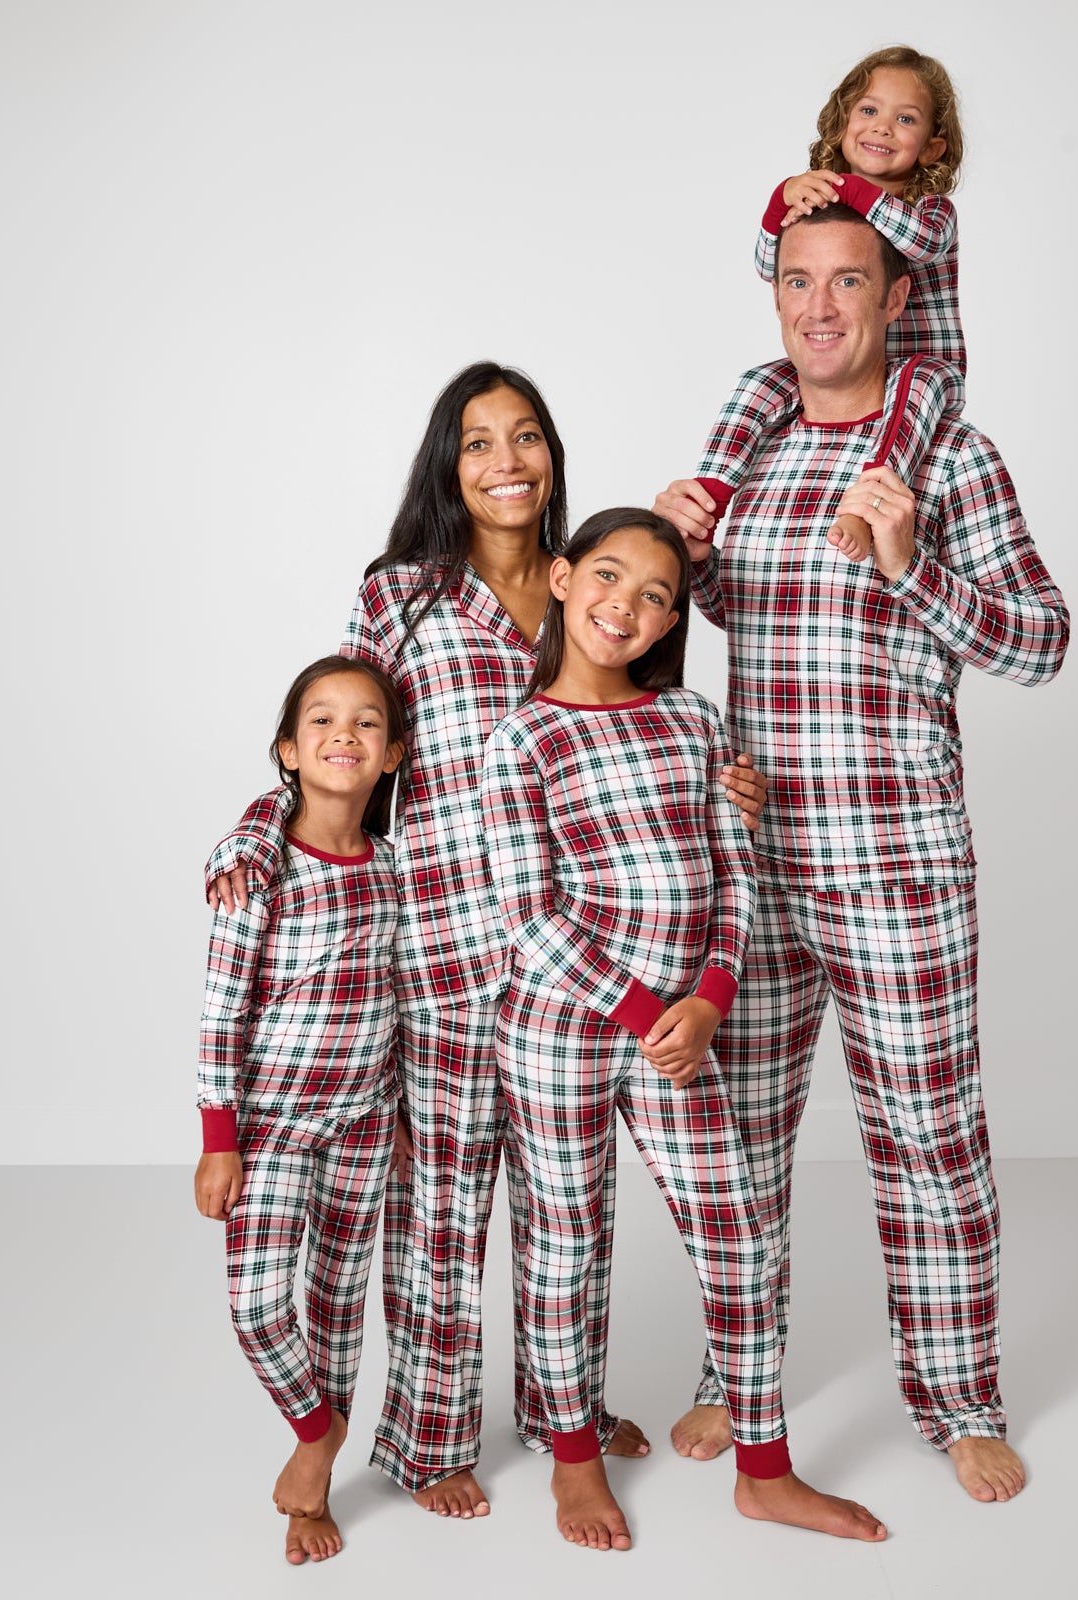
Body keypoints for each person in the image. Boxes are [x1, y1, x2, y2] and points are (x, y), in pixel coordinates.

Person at [205, 363, 767, 1517]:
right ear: (446, 465)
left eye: (525, 438)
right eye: (476, 442)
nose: (505, 460)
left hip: (587, 957)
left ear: (552, 457)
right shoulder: (404, 597)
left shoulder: (593, 583)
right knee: (447, 1210)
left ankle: (559, 1406)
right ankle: (427, 1439)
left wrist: (722, 782)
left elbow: (637, 725)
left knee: (573, 1205)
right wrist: (257, 832)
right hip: (448, 954)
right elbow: (338, 736)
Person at [654, 204, 1069, 1504]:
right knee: (741, 1134)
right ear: (773, 296)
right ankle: (738, 1377)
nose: (820, 306)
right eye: (798, 280)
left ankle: (959, 1398)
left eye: (849, 282)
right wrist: (679, 547)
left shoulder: (947, 452)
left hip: (895, 860)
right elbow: (716, 617)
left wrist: (911, 565)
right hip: (756, 860)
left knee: (928, 1135)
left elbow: (1042, 641)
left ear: (898, 300)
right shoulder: (755, 454)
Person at [480, 507, 887, 1550]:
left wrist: (705, 999)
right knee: (564, 1243)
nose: (628, 604)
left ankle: (765, 1467)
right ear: (564, 581)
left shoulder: (695, 723)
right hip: (562, 1027)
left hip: (684, 1029)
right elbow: (529, 914)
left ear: (671, 621)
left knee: (741, 1235)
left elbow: (735, 873)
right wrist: (639, 1007)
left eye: (656, 594)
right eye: (609, 577)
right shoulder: (522, 736)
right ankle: (572, 1461)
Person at [195, 655, 408, 1565]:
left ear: (393, 753)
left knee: (335, 1305)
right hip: (274, 1124)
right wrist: (220, 1140)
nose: (344, 736)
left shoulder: (394, 868)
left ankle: (312, 1484)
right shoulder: (260, 868)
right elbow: (221, 1008)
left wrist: (397, 1103)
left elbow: (397, 995)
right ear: (288, 749)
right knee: (257, 1308)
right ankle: (316, 1431)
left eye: (366, 723)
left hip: (364, 1119)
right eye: (321, 721)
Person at [696, 45, 966, 559]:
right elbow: (766, 262)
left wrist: (856, 192)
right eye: (868, 111)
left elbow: (920, 242)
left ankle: (867, 511)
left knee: (907, 402)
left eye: (904, 118)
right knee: (759, 383)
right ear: (841, 125)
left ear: (931, 148)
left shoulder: (932, 211)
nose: (882, 127)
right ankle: (711, 494)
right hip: (845, 366)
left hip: (923, 366)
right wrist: (783, 201)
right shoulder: (826, 200)